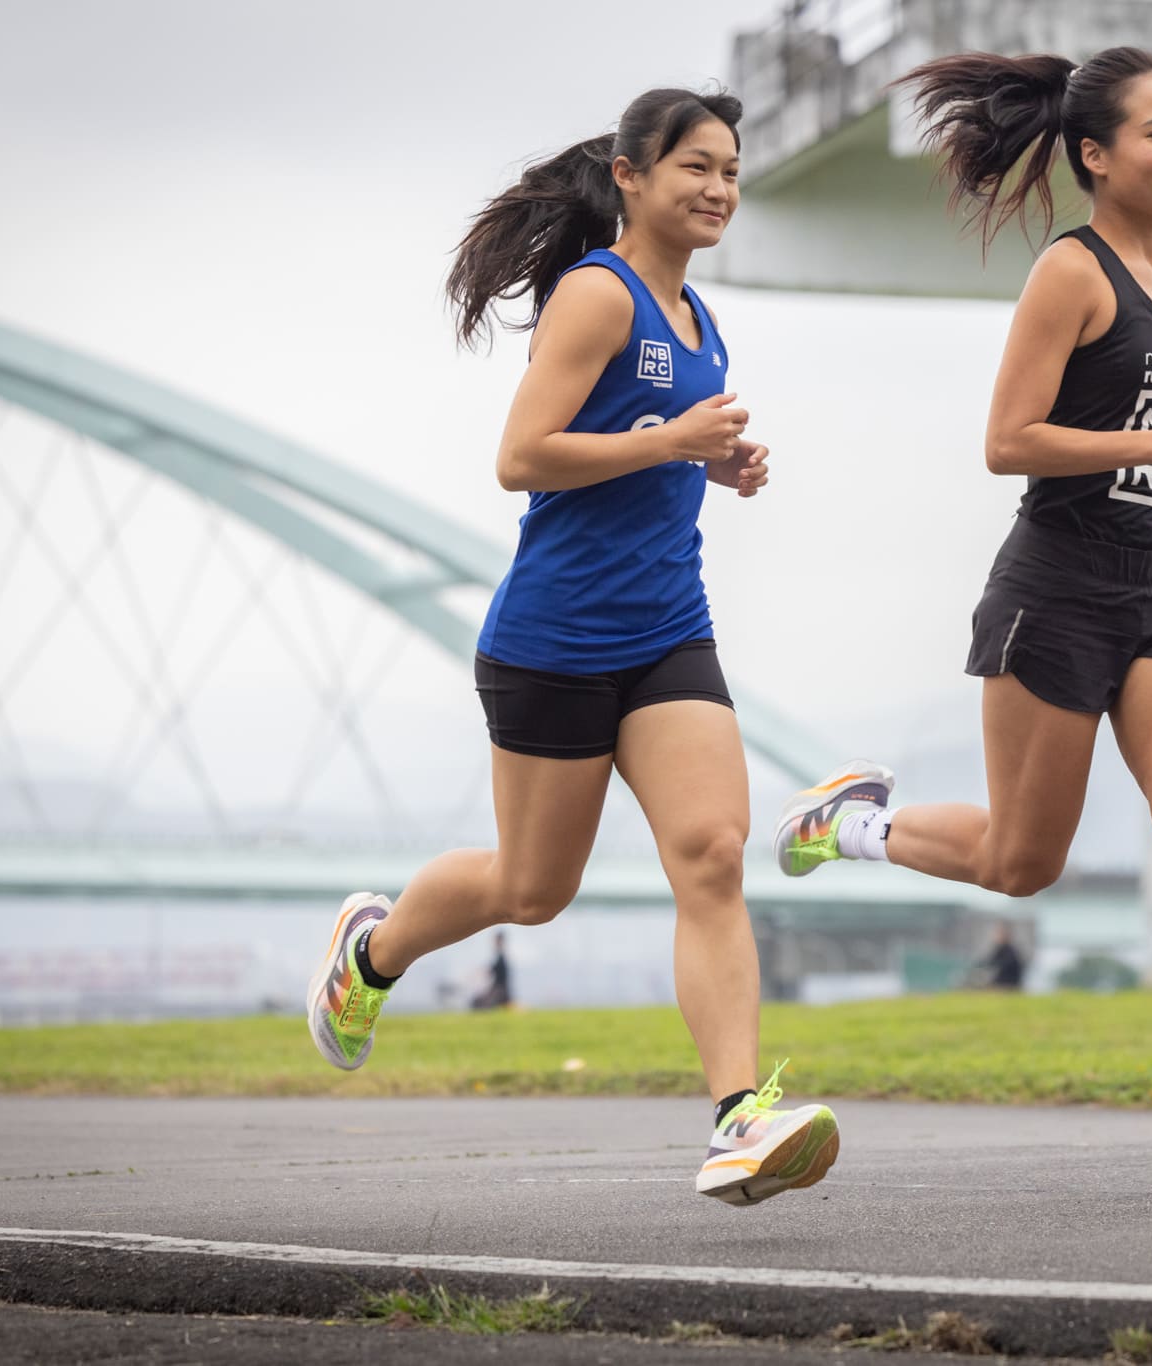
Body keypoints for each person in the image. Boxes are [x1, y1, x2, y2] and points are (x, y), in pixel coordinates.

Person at [774, 48, 1152, 1172]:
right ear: (1096, 155)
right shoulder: (1068, 274)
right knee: (1023, 862)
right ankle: (850, 825)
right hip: (1056, 594)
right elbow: (1008, 442)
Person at [305, 86, 840, 1207]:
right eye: (697, 166)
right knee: (530, 888)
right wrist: (673, 439)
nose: (720, 189)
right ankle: (372, 952)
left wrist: (710, 463)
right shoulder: (597, 297)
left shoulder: (699, 318)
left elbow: (650, 446)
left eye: (732, 172)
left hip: (666, 629)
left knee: (711, 853)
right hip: (554, 638)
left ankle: (740, 1116)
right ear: (632, 175)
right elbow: (523, 456)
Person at [975, 922, 1026, 991]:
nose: (997, 936)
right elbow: (989, 961)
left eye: (1000, 934)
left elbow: (1002, 965)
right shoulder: (999, 949)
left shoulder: (1010, 951)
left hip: (1008, 984)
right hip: (1001, 981)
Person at [471, 931, 513, 1010]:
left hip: (501, 990)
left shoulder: (502, 957)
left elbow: (495, 971)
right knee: (477, 1001)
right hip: (497, 988)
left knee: (480, 1003)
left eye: (497, 941)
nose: (495, 943)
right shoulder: (500, 956)